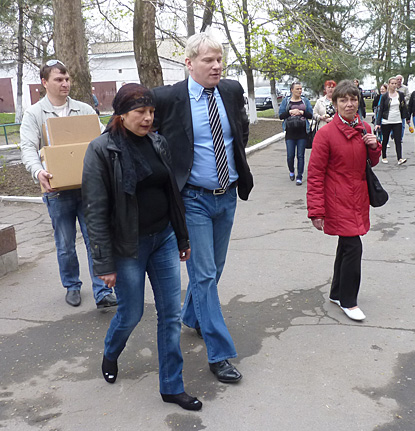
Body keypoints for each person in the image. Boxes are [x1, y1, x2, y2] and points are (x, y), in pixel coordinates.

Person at [81, 83, 202, 411]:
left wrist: (182, 236)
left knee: (170, 315)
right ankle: (111, 351)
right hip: (127, 247)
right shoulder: (101, 150)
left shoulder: (157, 142)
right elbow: (95, 210)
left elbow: (171, 192)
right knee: (131, 313)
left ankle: (172, 386)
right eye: (140, 112)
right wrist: (104, 264)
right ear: (121, 114)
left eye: (151, 111)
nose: (148, 118)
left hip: (163, 238)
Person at [152, 32, 253, 384]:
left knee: (214, 268)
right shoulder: (168, 98)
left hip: (227, 196)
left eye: (219, 59)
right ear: (189, 63)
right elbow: (134, 129)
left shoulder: (231, 91)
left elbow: (240, 131)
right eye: (208, 60)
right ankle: (219, 353)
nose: (216, 66)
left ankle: (192, 317)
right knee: (205, 274)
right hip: (192, 199)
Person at [20, 60, 117, 309]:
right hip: (56, 190)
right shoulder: (35, 114)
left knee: (95, 239)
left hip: (89, 188)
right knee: (65, 244)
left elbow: (102, 139)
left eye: (67, 79)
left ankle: (102, 291)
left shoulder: (84, 110)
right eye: (58, 80)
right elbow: (28, 148)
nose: (65, 84)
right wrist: (38, 172)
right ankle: (72, 286)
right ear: (44, 83)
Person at [307, 80, 382, 321]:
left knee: (346, 244)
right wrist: (316, 210)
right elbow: (315, 174)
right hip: (337, 199)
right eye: (343, 100)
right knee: (353, 246)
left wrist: (374, 146)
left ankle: (337, 293)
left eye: (353, 99)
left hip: (358, 196)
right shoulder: (326, 134)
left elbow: (371, 162)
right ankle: (349, 301)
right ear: (335, 103)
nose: (349, 104)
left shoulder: (364, 127)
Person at [279, 82, 313, 185]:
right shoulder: (286, 101)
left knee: (300, 155)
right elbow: (281, 115)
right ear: (292, 90)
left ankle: (299, 176)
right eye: (297, 89)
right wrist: (290, 112)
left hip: (302, 133)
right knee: (290, 155)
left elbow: (310, 115)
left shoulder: (305, 101)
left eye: (301, 89)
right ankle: (292, 171)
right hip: (290, 133)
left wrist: (302, 112)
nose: (300, 90)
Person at [375, 76, 409, 165]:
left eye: (395, 83)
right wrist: (378, 123)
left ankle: (400, 158)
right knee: (385, 139)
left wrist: (407, 118)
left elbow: (404, 107)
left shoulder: (400, 95)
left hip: (397, 120)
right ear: (389, 84)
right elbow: (381, 110)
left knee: (398, 140)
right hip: (386, 121)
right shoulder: (384, 96)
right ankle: (384, 156)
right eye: (392, 83)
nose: (394, 85)